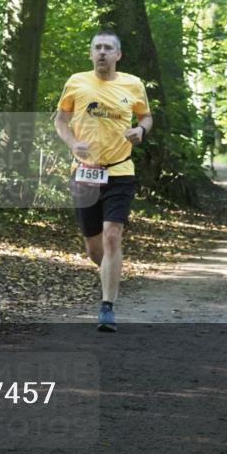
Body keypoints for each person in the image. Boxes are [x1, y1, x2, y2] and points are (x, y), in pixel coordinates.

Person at [54, 30, 152, 332]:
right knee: (94, 248)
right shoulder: (76, 82)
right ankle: (111, 271)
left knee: (113, 235)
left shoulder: (133, 84)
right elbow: (60, 120)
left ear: (118, 55)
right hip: (84, 172)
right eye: (97, 47)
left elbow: (146, 117)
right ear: (90, 53)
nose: (102, 52)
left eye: (108, 48)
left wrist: (142, 131)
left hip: (120, 171)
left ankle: (107, 306)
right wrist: (72, 144)